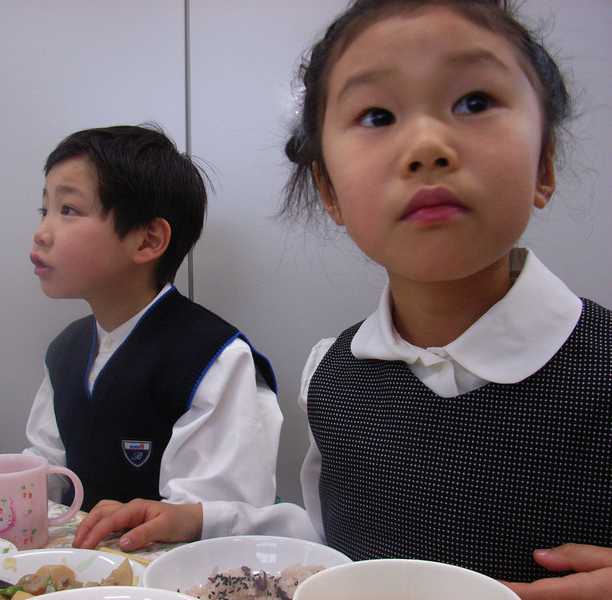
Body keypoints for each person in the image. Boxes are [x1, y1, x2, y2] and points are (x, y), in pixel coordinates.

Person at [71, 2, 612, 598]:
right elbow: (337, 543)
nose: (427, 145)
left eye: (475, 102)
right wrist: (202, 520)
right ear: (329, 190)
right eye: (378, 115)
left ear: (544, 163)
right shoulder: (334, 375)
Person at [23, 124, 282, 514]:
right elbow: (46, 471)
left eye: (69, 210)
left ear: (147, 241)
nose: (42, 233)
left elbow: (218, 514)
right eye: (45, 211)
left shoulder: (212, 359)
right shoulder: (66, 350)